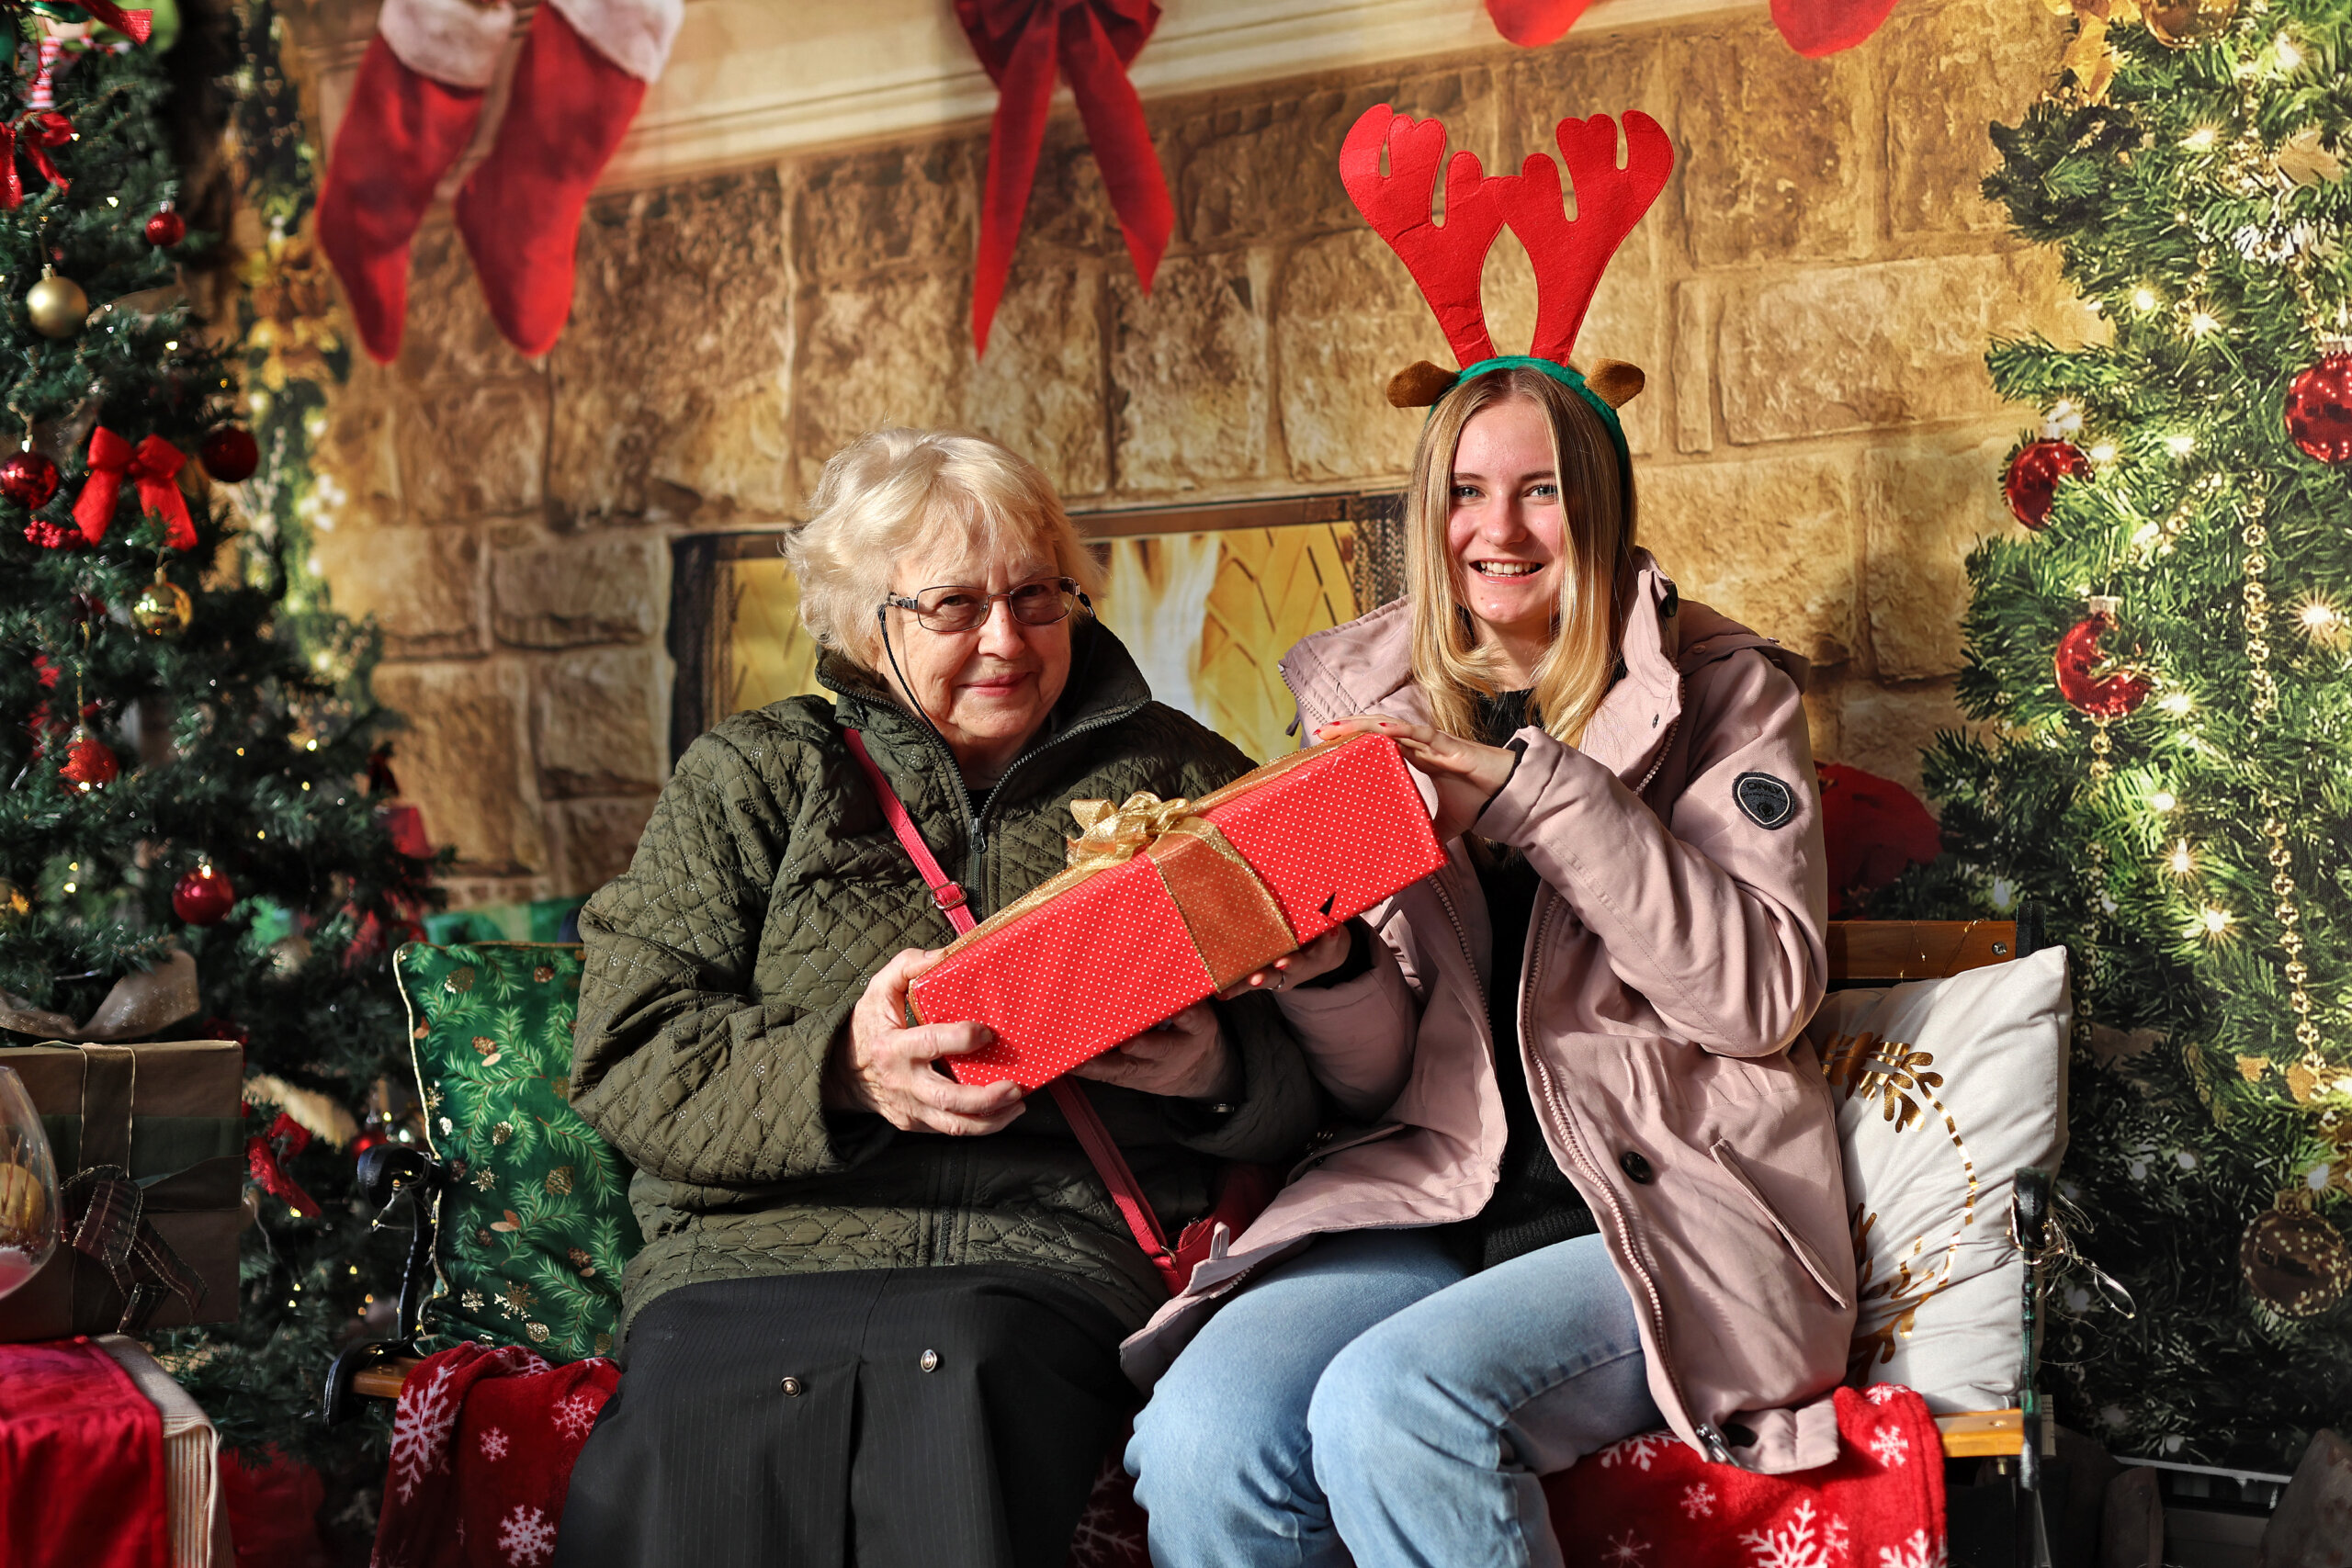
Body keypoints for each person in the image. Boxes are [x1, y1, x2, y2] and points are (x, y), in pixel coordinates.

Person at [1122, 358, 1855, 1568]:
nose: (1497, 529)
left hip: (1655, 1210)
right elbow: (1375, 1086)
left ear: (1604, 508)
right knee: (1203, 1433)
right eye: (1466, 489)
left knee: (1393, 1407)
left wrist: (1536, 798)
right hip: (1429, 1198)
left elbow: (1758, 995)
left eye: (1542, 491)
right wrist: (1327, 971)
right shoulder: (1367, 709)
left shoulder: (1724, 694)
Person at [553, 428, 1323, 1568]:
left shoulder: (1180, 777)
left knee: (962, 1357)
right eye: (954, 607)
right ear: (870, 621)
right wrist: (843, 1070)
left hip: (1035, 1255)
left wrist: (1215, 1070)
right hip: (755, 1254)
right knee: (715, 1408)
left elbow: (1325, 1072)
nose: (1007, 640)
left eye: (1035, 597)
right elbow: (624, 1053)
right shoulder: (755, 775)